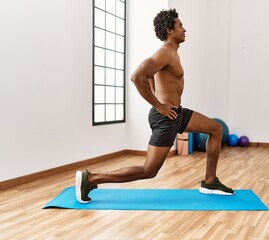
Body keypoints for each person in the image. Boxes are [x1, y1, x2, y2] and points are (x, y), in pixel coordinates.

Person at [75, 9, 234, 203]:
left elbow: (150, 75)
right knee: (148, 171)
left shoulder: (172, 53)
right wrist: (158, 105)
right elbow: (137, 76)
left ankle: (209, 181)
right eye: (180, 25)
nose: (185, 29)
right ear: (169, 30)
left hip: (177, 113)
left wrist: (160, 99)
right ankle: (91, 179)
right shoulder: (165, 52)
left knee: (215, 129)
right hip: (166, 117)